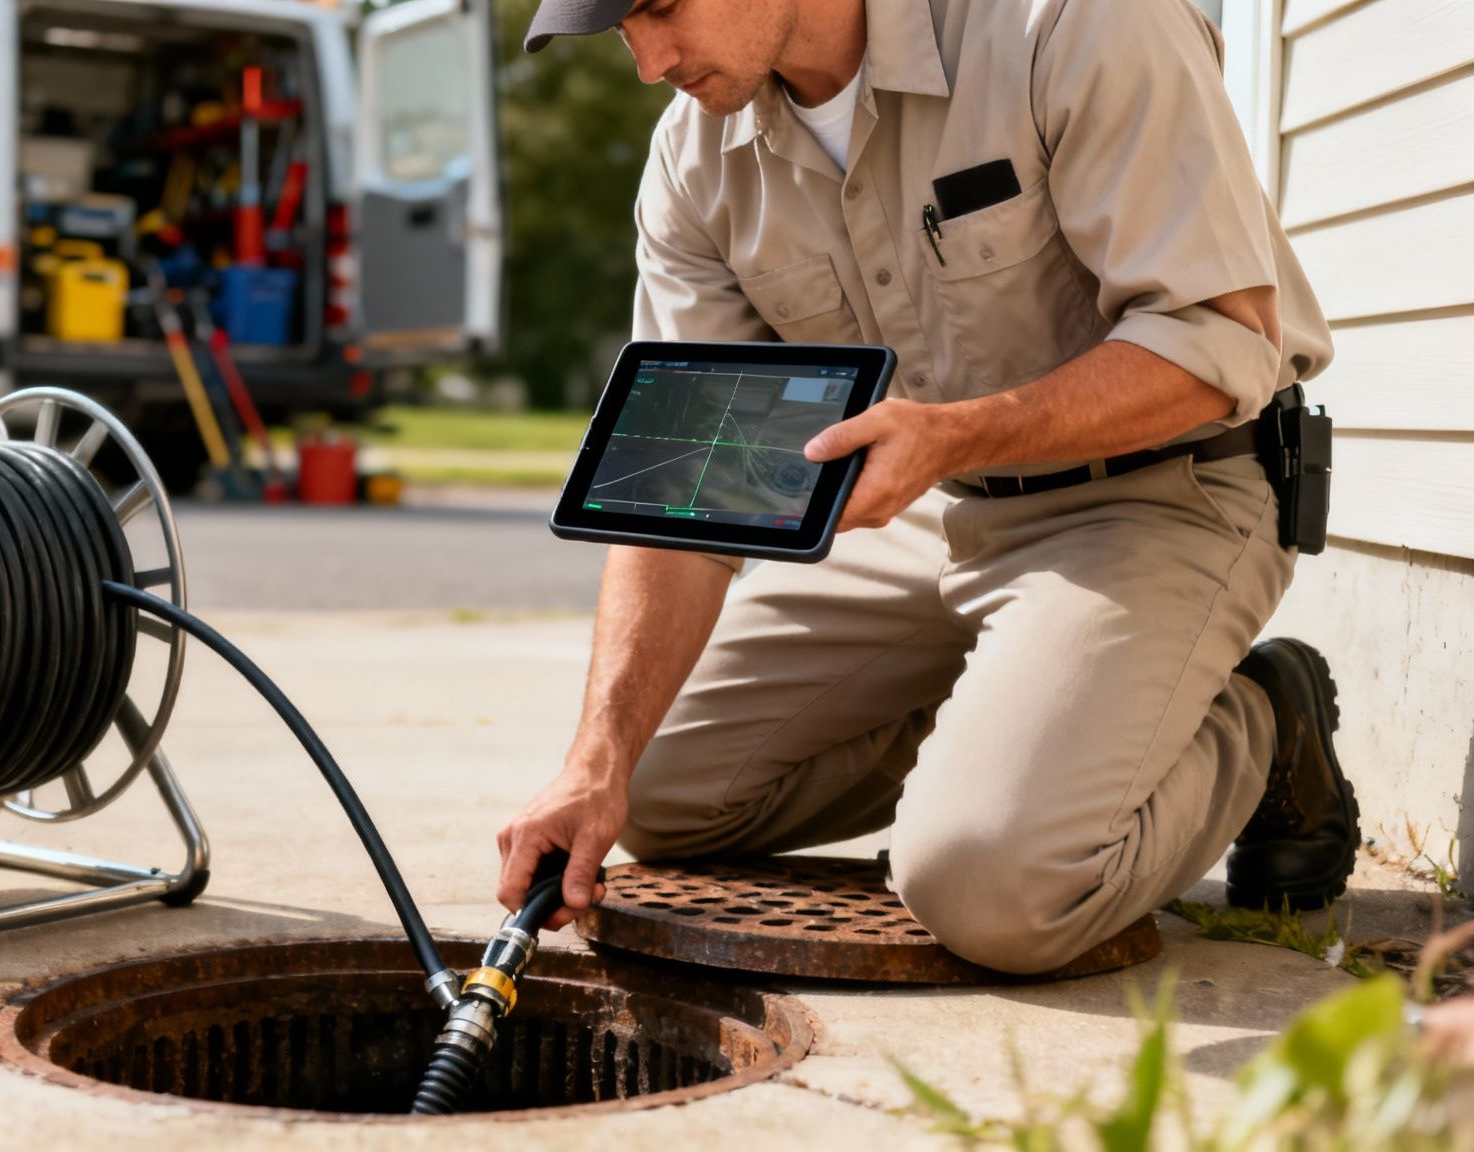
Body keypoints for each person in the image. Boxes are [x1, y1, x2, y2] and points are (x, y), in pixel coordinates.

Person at [495, 0, 1358, 974]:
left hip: (1162, 489)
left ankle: (1260, 722)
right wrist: (591, 762)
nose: (648, 61)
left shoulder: (1075, 22)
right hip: (933, 506)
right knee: (649, 792)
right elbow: (693, 485)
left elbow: (1219, 341)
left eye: (657, 7)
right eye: (616, 30)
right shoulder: (694, 157)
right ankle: (1029, 708)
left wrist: (950, 437)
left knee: (991, 891)